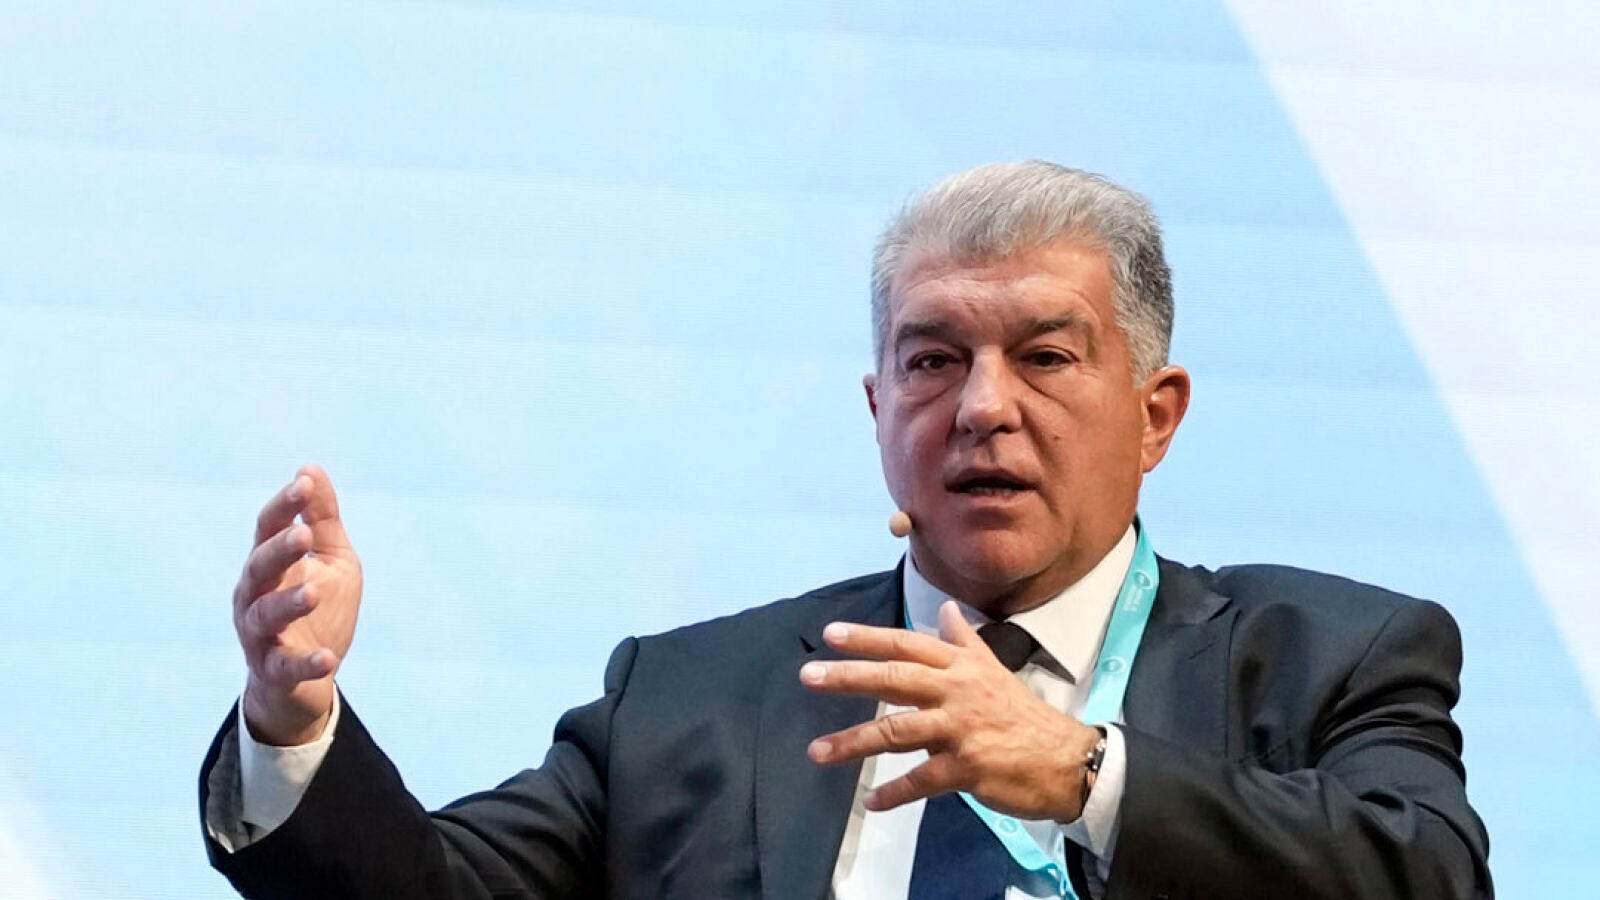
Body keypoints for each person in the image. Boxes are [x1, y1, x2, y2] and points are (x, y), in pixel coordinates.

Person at [200, 161, 1492, 899]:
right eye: (933, 361)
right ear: (879, 410)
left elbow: (1430, 874)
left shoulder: (1327, 657)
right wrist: (290, 724)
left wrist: (1082, 776)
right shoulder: (688, 702)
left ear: (1156, 415)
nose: (983, 408)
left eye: (1045, 357)